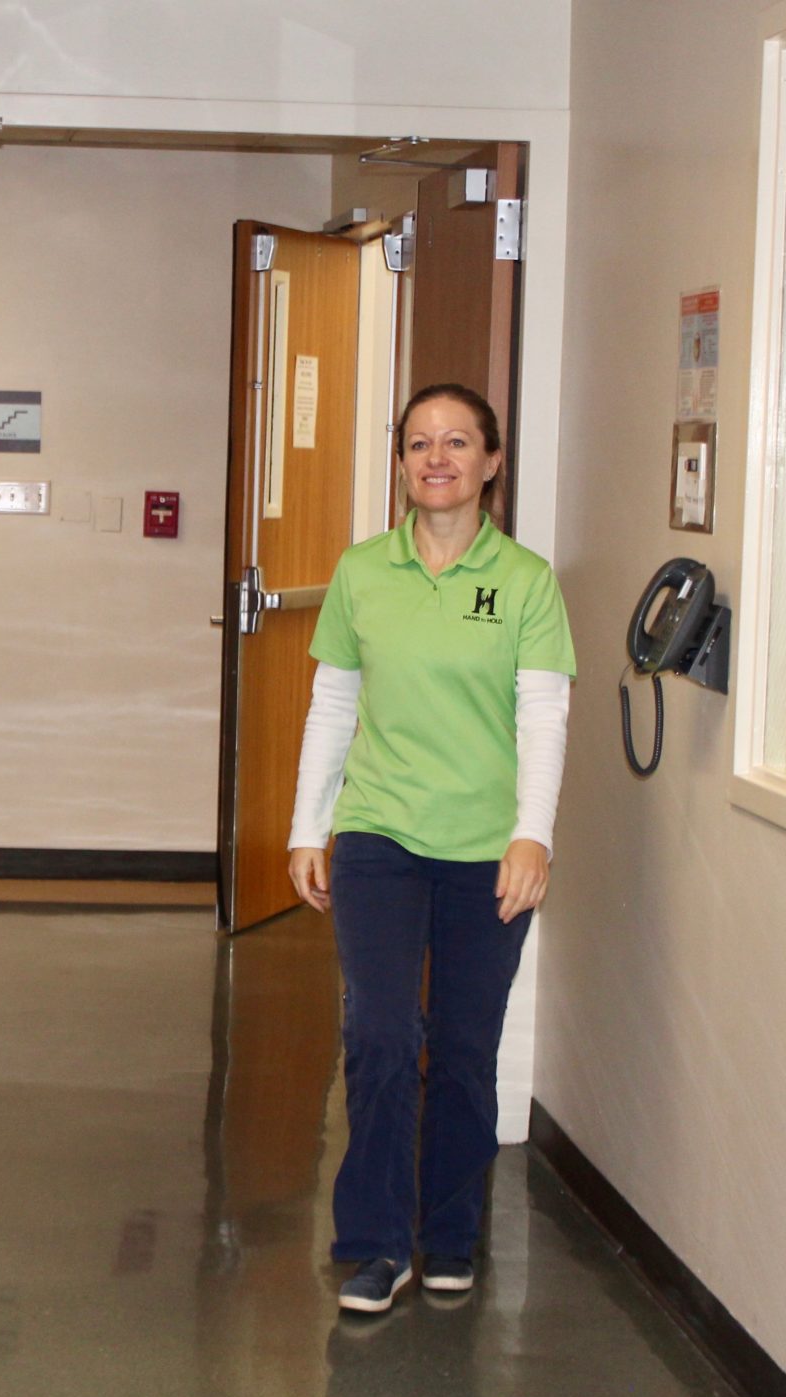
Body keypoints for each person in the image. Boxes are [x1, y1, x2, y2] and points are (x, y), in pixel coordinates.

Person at [287, 383, 574, 1314]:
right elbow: (333, 705)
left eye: (457, 442)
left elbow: (544, 715)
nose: (437, 458)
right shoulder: (363, 571)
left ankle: (449, 1233)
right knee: (378, 1031)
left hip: (487, 845)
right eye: (419, 443)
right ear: (402, 461)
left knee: (461, 1044)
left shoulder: (525, 580)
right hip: (380, 831)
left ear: (492, 462)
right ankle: (376, 1242)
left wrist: (533, 834)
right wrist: (309, 827)